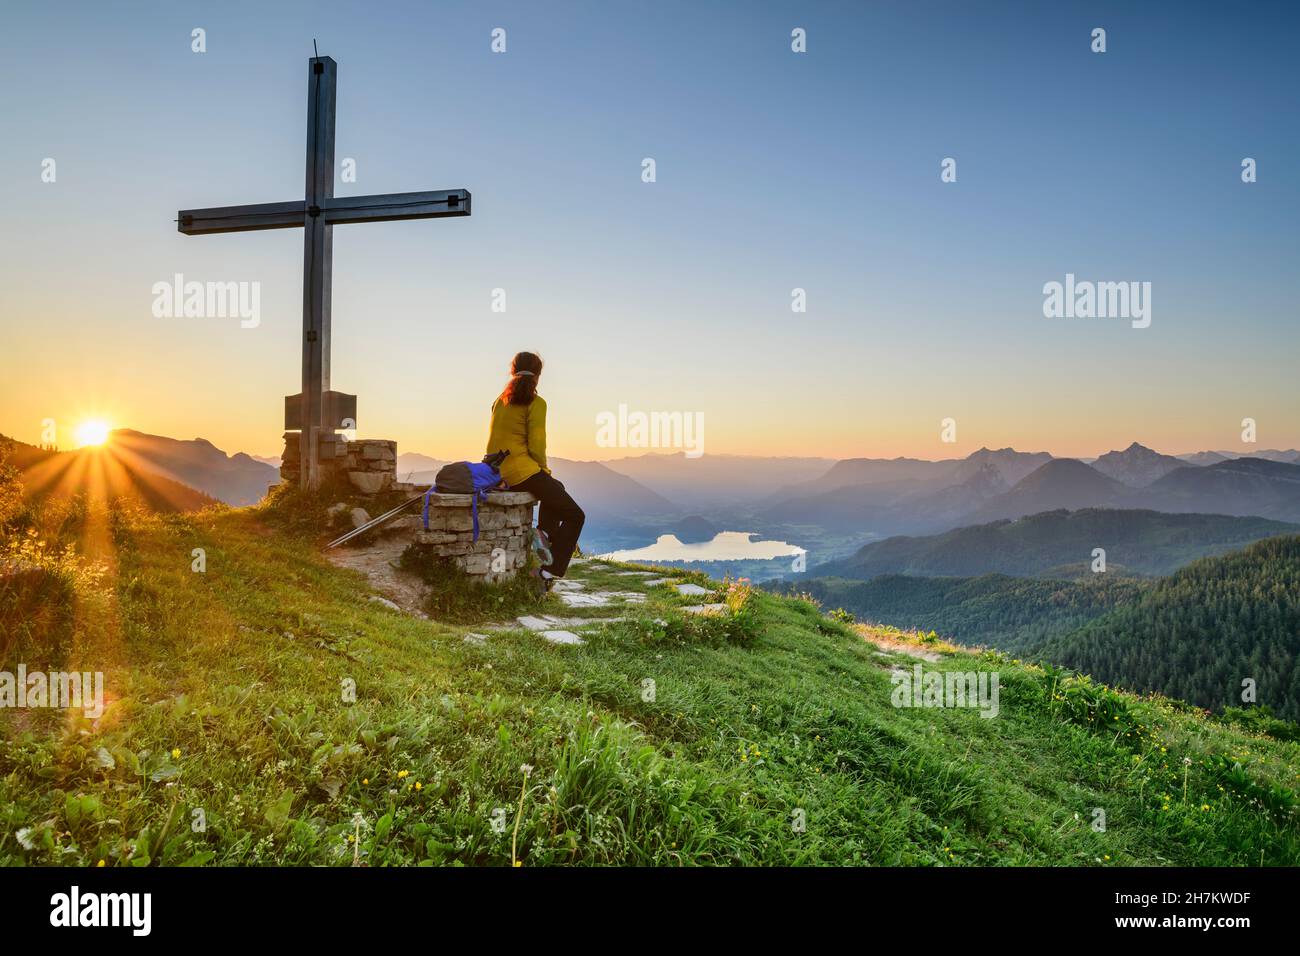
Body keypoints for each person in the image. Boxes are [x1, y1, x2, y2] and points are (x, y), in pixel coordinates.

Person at [485, 351, 584, 590]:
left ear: (513, 372)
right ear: (538, 376)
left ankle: (543, 534)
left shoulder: (500, 400)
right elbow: (537, 444)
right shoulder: (536, 402)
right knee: (575, 515)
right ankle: (548, 571)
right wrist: (544, 469)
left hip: (495, 471)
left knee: (555, 489)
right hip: (522, 471)